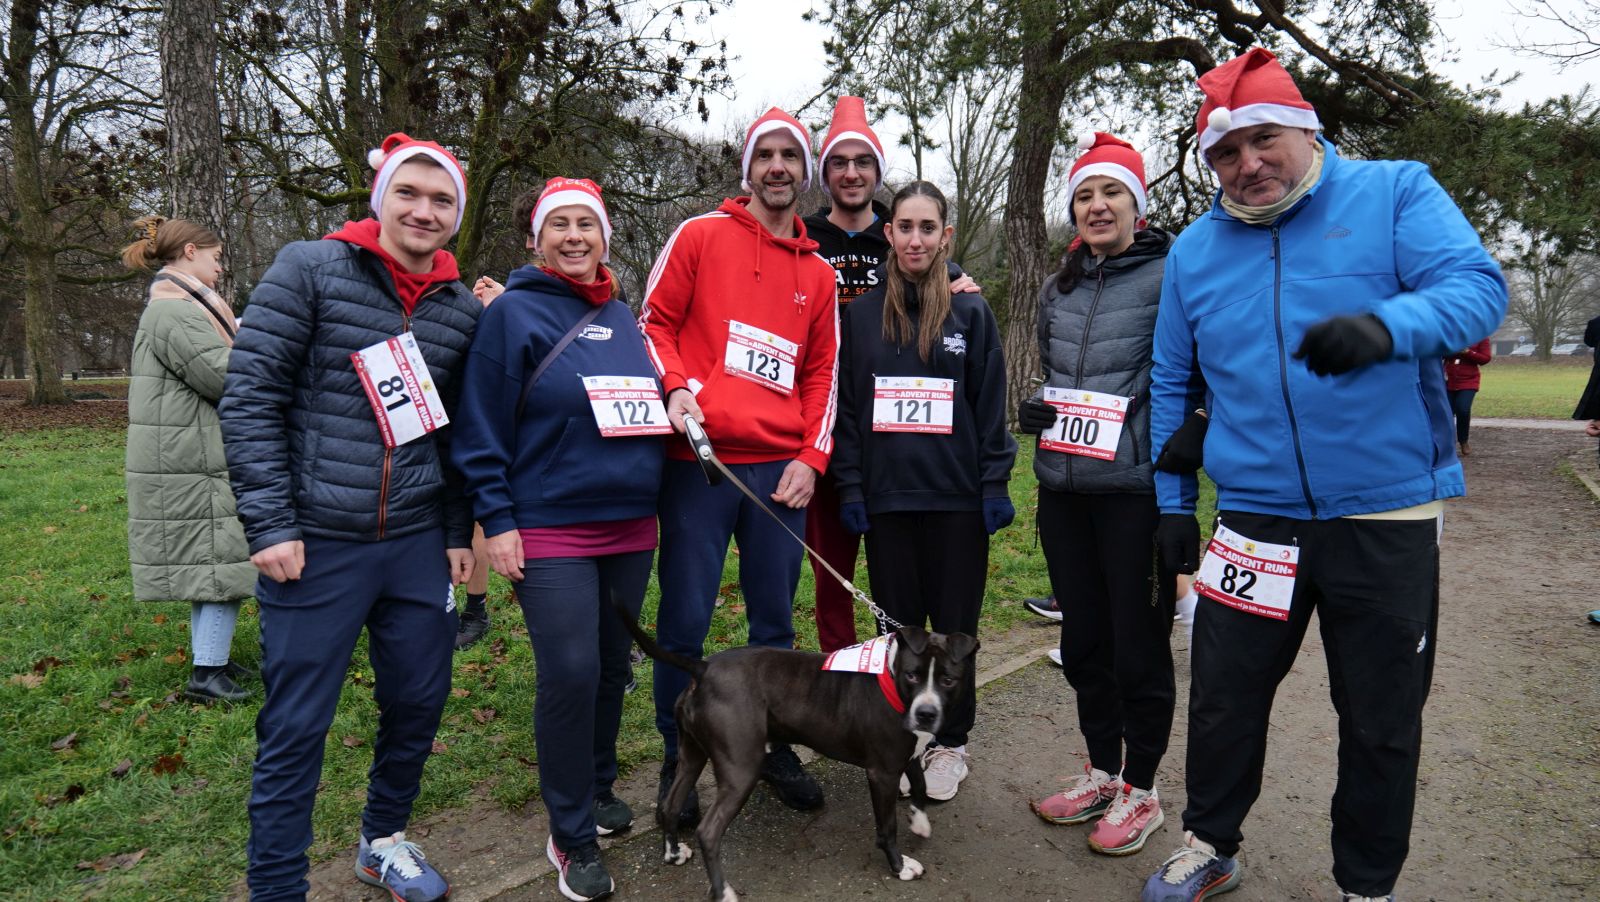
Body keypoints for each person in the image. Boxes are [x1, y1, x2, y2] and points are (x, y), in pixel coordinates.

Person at [1142, 49, 1507, 902]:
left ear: (1306, 131)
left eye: (1264, 140)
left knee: (1380, 718)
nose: (1248, 164)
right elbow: (1170, 380)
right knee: (1225, 697)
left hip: (1386, 514)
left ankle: (1367, 885)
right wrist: (1171, 506)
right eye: (1226, 153)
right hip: (1254, 517)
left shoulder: (1394, 192)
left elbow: (1478, 288)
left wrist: (1388, 327)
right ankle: (1211, 844)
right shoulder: (1196, 250)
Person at [219, 133, 480, 902]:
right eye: (410, 193)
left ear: (456, 215)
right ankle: (276, 888)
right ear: (381, 197)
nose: (423, 212)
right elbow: (250, 399)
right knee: (297, 726)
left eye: (441, 200)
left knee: (418, 700)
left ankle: (383, 842)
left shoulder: (460, 311)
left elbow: (456, 431)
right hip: (316, 545)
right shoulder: (310, 269)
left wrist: (456, 529)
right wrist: (269, 524)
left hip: (414, 546)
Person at [453, 177, 662, 902]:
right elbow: (479, 428)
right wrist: (499, 521)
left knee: (610, 667)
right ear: (536, 239)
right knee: (570, 670)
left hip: (632, 526)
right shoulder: (511, 315)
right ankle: (569, 834)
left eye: (588, 225)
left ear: (606, 238)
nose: (575, 236)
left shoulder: (627, 317)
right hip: (550, 525)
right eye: (560, 226)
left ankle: (598, 787)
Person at [638, 107, 840, 823]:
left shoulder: (817, 274)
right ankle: (679, 758)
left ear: (804, 173)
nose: (779, 166)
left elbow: (823, 374)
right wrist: (677, 388)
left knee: (773, 629)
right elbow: (653, 322)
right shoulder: (699, 236)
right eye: (767, 155)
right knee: (685, 623)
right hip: (700, 466)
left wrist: (813, 458)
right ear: (747, 167)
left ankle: (774, 743)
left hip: (778, 472)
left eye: (791, 155)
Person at [1017, 134, 1181, 855]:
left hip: (1133, 495)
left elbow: (1193, 376)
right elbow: (1057, 376)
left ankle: (1143, 790)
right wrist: (1038, 412)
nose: (1096, 205)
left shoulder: (1172, 276)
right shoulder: (1062, 286)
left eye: (1111, 192)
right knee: (1083, 643)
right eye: (1084, 194)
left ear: (1137, 207)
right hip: (1064, 490)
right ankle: (1102, 772)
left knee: (1137, 646)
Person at [832, 180, 1017, 801]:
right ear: (889, 234)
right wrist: (851, 487)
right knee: (901, 636)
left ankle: (951, 744)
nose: (915, 238)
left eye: (927, 228)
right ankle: (900, 733)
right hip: (888, 504)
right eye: (905, 227)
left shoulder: (972, 313)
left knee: (955, 631)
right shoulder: (859, 317)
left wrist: (994, 482)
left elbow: (990, 407)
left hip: (958, 504)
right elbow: (850, 410)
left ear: (946, 237)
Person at [802, 96, 980, 653]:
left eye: (863, 162)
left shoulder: (902, 231)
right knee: (835, 576)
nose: (851, 172)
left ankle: (910, 692)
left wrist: (956, 278)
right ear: (825, 173)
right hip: (820, 420)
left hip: (891, 441)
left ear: (879, 172)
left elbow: (925, 256)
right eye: (839, 162)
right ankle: (843, 685)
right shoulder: (803, 236)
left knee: (897, 575)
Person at [122, 215, 258, 704]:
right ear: (190, 253)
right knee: (218, 566)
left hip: (190, 451)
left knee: (215, 565)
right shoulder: (175, 312)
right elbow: (223, 376)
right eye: (216, 257)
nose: (220, 268)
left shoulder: (178, 307)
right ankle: (206, 676)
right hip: (191, 458)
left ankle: (212, 660)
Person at [1444, 338, 1492, 457]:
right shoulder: (1451, 333)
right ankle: (1447, 444)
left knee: (1463, 409)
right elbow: (1439, 353)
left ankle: (1463, 441)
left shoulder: (1481, 336)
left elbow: (1485, 358)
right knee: (1446, 413)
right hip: (1447, 381)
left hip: (1468, 381)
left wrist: (1467, 352)